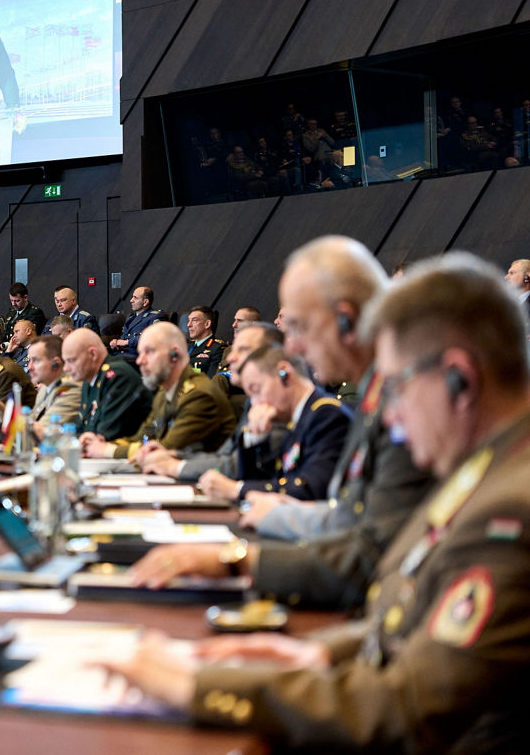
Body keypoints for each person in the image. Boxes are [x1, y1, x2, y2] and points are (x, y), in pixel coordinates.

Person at [101, 252, 530, 752]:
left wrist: (202, 687)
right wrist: (314, 655)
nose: (389, 418)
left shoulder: (509, 507)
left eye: (396, 388)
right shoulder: (485, 472)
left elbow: (409, 707)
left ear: (459, 378)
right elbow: (407, 611)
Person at [129, 236, 432, 609]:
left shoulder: (403, 400)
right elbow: (351, 516)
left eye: (299, 328)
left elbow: (370, 551)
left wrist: (236, 561)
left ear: (346, 318)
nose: (294, 348)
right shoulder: (377, 393)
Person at [196, 345, 351, 502]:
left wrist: (237, 489)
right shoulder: (299, 416)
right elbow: (270, 480)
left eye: (257, 390)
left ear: (284, 374)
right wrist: (255, 440)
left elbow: (311, 489)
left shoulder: (326, 415)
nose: (256, 404)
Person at [137, 322, 286, 483]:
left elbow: (235, 466)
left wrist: (175, 466)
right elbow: (223, 456)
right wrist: (176, 456)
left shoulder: (277, 405)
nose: (230, 357)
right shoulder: (254, 402)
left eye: (242, 350)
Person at [83, 321, 236, 459]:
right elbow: (142, 438)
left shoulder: (199, 395)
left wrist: (107, 451)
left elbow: (165, 451)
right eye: (140, 352)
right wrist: (101, 444)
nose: (139, 360)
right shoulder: (164, 393)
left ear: (174, 355)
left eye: (148, 352)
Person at [62, 327, 150, 440]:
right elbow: (82, 428)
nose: (66, 368)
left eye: (71, 361)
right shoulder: (89, 378)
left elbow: (105, 435)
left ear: (93, 354)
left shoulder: (117, 376)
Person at [25, 334, 80, 441]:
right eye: (29, 360)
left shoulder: (70, 387)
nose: (29, 367)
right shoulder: (45, 388)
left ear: (56, 363)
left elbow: (42, 431)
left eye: (35, 360)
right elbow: (31, 422)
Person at [110, 286, 160, 359]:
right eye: (132, 297)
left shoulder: (155, 316)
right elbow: (124, 337)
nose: (131, 300)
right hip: (122, 354)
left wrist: (126, 342)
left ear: (145, 302)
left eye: (135, 298)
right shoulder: (130, 318)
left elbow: (152, 338)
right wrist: (116, 342)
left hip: (138, 357)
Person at [185, 305, 227, 376]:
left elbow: (211, 381)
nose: (189, 324)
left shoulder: (217, 349)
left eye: (194, 320)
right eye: (189, 320)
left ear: (207, 324)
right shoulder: (186, 346)